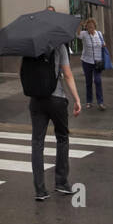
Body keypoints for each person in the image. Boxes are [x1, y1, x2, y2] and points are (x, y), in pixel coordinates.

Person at [26, 40, 81, 201]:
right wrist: (76, 99)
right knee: (62, 138)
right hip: (56, 99)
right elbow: (68, 74)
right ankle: (61, 182)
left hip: (36, 99)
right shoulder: (60, 46)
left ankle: (40, 189)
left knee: (37, 143)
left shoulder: (32, 46)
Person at [76, 17, 106, 110]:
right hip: (87, 61)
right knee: (88, 82)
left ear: (95, 27)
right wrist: (79, 25)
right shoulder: (84, 34)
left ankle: (100, 102)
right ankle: (89, 101)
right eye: (88, 27)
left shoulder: (99, 34)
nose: (90, 29)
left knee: (98, 81)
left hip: (98, 62)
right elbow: (77, 34)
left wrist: (103, 45)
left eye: (92, 27)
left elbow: (103, 44)